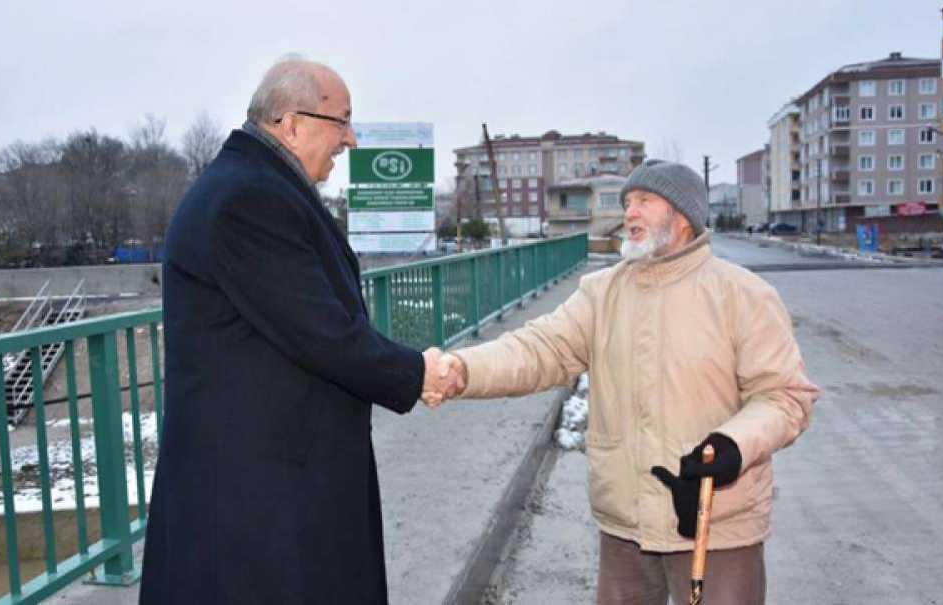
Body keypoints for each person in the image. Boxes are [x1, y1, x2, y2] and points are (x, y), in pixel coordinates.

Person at [424, 160, 819, 605]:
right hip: (625, 523)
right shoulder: (602, 293)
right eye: (627, 202)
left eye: (645, 201)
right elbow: (540, 349)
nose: (630, 212)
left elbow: (785, 396)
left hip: (715, 522)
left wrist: (731, 446)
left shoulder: (743, 295)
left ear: (683, 216)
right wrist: (464, 369)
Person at [140, 56, 459, 605]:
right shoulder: (249, 199)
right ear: (292, 123)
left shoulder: (254, 184)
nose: (352, 139)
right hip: (258, 496)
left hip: (271, 479)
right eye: (342, 122)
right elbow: (323, 333)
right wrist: (417, 374)